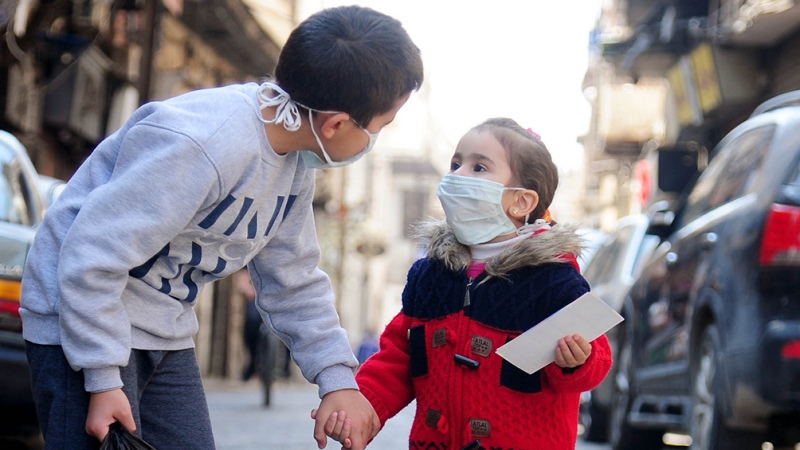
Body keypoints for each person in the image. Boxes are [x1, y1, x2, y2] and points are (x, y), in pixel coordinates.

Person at [19, 5, 423, 450]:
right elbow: (91, 256)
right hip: (79, 321)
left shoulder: (294, 164)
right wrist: (101, 378)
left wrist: (336, 379)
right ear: (337, 124)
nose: (376, 139)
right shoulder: (203, 143)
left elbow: (294, 279)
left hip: (163, 328)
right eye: (381, 125)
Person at [316, 118, 613, 449]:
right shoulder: (431, 274)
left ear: (521, 202)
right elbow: (399, 357)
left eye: (479, 167)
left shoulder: (553, 278)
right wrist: (362, 407)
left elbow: (597, 358)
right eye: (456, 163)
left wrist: (578, 359)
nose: (458, 175)